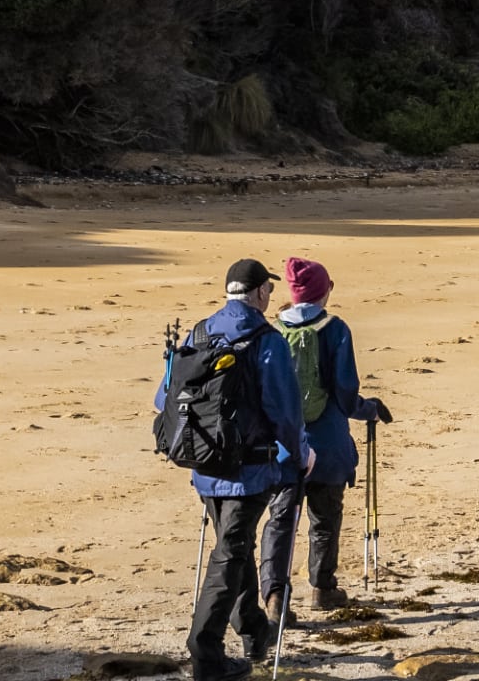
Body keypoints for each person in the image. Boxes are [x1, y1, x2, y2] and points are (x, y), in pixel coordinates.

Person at [157, 258, 308, 681]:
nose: (271, 296)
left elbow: (163, 397)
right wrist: (299, 455)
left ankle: (253, 629)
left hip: (202, 465)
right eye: (269, 290)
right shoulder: (266, 339)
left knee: (234, 548)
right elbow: (284, 410)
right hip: (249, 470)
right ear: (260, 292)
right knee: (230, 555)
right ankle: (205, 652)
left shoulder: (199, 332)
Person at [261, 258, 390, 620]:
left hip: (283, 444)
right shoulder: (336, 329)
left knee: (281, 519)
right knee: (325, 517)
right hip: (328, 442)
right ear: (323, 290)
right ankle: (322, 587)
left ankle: (275, 598)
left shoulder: (272, 331)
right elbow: (346, 393)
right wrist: (370, 410)